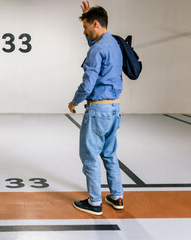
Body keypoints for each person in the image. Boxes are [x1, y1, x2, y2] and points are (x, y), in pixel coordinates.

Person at [68, 1, 124, 215]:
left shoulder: (97, 50)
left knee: (90, 155)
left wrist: (74, 101)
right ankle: (116, 197)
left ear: (96, 24)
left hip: (98, 110)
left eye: (85, 27)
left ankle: (94, 202)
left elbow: (88, 84)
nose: (84, 31)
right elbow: (94, 46)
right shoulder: (114, 45)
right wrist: (86, 16)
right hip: (113, 109)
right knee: (109, 154)